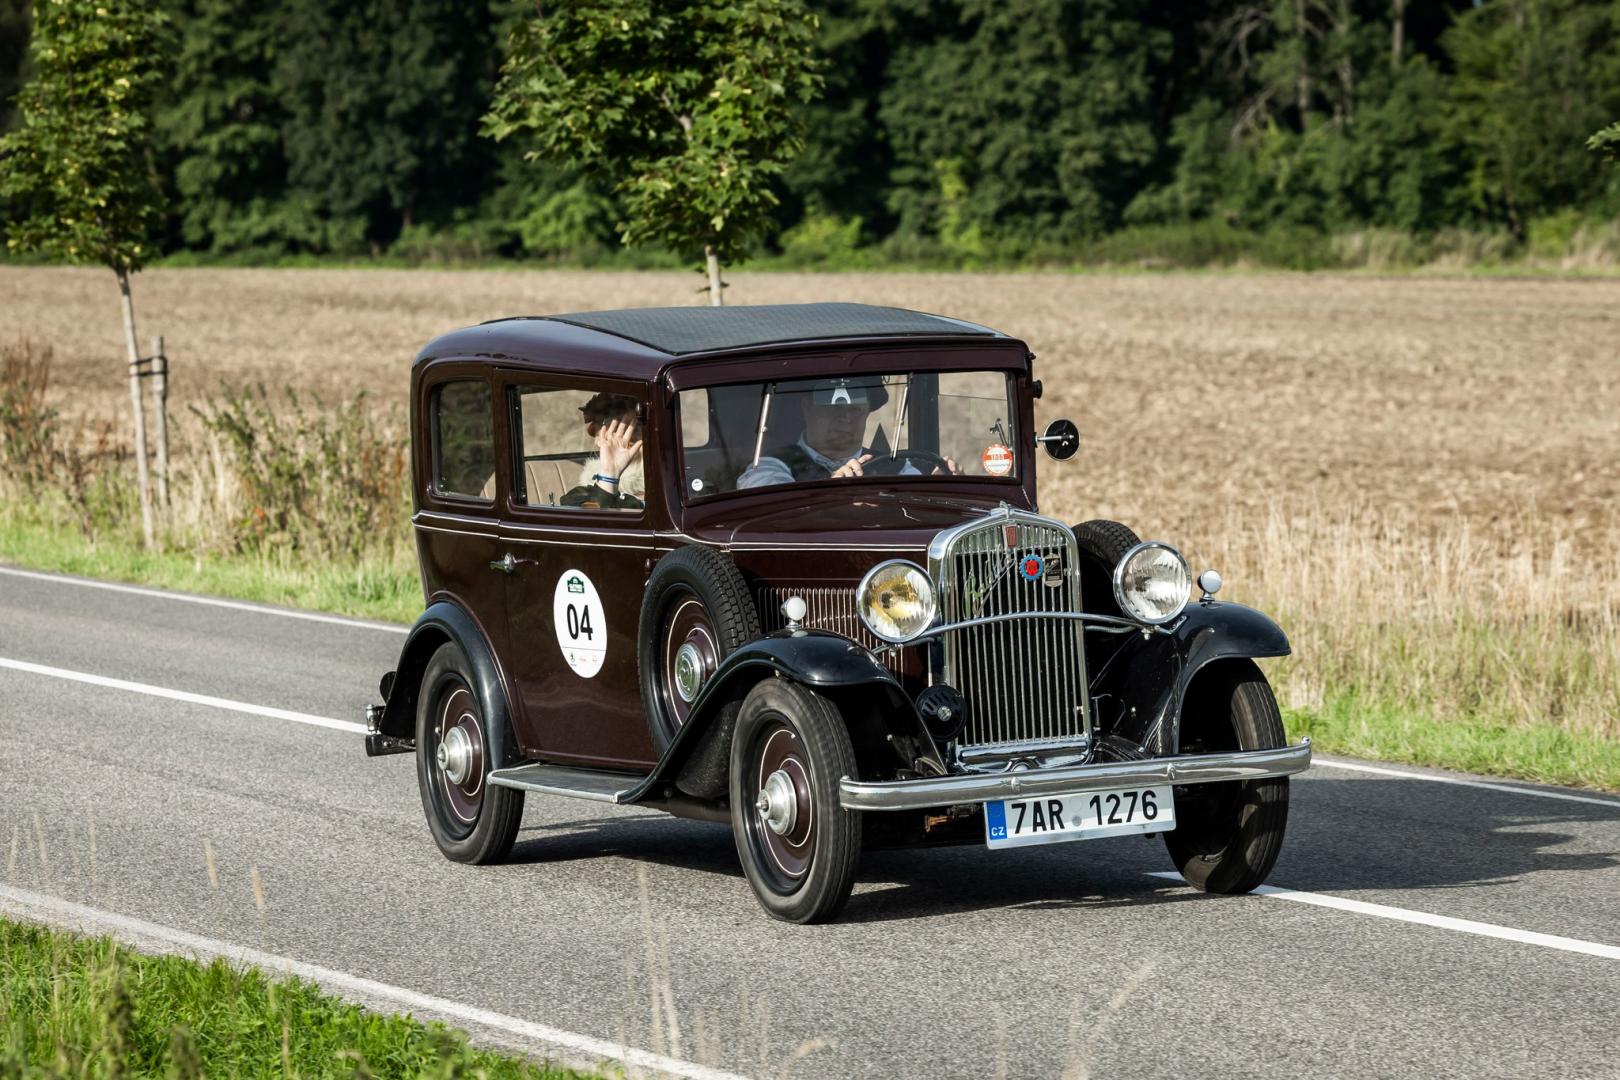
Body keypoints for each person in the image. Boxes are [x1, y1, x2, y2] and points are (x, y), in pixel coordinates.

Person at [738, 378, 960, 488]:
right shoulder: (770, 466)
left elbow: (915, 513)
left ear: (866, 415)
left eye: (854, 410)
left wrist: (936, 489)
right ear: (807, 409)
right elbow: (774, 512)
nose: (844, 417)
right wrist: (832, 491)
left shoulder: (896, 467)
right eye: (831, 407)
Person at [560, 392, 644, 509]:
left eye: (637, 425)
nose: (627, 434)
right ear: (598, 438)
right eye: (615, 425)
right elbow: (591, 522)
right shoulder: (580, 495)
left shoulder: (671, 486)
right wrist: (610, 473)